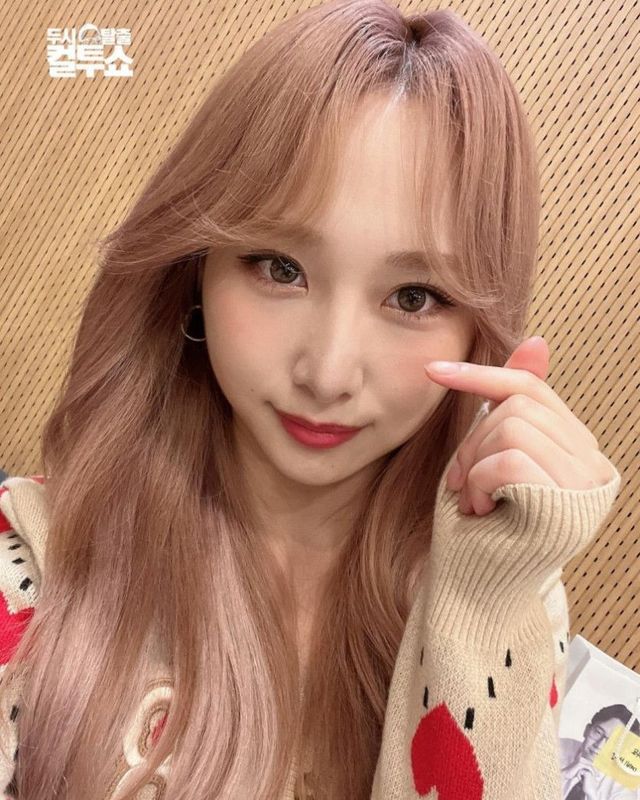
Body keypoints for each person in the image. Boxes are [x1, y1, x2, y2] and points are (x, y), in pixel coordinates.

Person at [0, 1, 622, 798]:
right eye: (279, 268)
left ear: (479, 332)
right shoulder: (39, 560)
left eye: (414, 296)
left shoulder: (502, 585)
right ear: (194, 272)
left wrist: (484, 596)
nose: (328, 374)